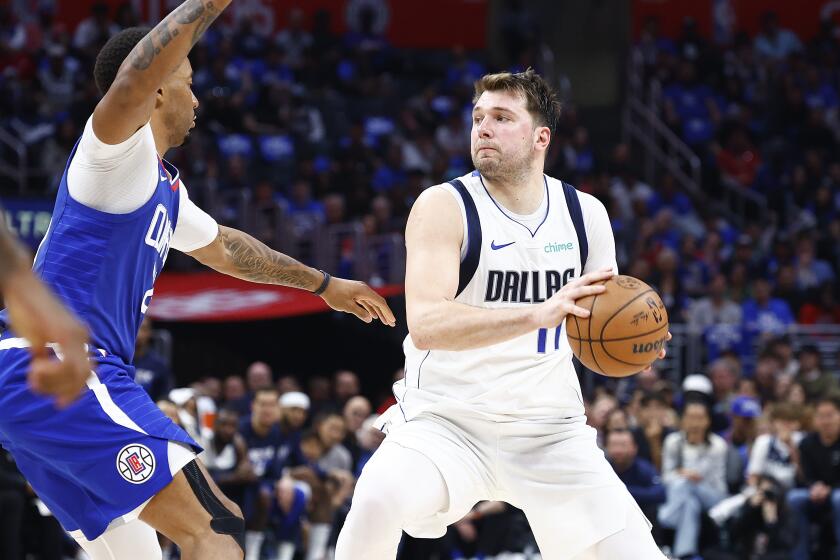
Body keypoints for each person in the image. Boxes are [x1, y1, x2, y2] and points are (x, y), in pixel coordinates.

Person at [0, 4, 395, 559]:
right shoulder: (112, 154)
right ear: (158, 90)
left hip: (36, 382)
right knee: (218, 526)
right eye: (188, 81)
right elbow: (135, 73)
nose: (198, 99)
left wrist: (324, 284)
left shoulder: (160, 185)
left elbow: (228, 248)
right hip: (62, 364)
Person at [337, 69, 668, 559]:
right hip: (447, 422)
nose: (483, 128)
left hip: (550, 429)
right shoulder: (443, 206)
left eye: (501, 117)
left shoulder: (585, 214)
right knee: (374, 502)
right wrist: (537, 314)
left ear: (541, 137)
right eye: (478, 117)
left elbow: (602, 319)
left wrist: (638, 343)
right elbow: (426, 326)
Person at [658, 400, 729, 559]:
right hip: (683, 493)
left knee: (686, 485)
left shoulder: (717, 445)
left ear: (708, 421)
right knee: (690, 503)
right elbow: (666, 478)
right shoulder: (673, 442)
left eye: (699, 417)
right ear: (683, 420)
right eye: (691, 417)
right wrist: (683, 474)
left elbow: (718, 483)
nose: (695, 422)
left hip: (713, 494)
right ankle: (684, 554)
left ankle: (666, 518)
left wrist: (694, 479)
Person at [786, 395, 840, 560]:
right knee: (794, 498)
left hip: (837, 492)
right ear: (814, 419)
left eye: (830, 415)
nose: (825, 421)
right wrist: (814, 486)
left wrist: (829, 489)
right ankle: (800, 555)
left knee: (839, 499)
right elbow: (804, 477)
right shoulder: (806, 443)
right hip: (814, 492)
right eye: (821, 416)